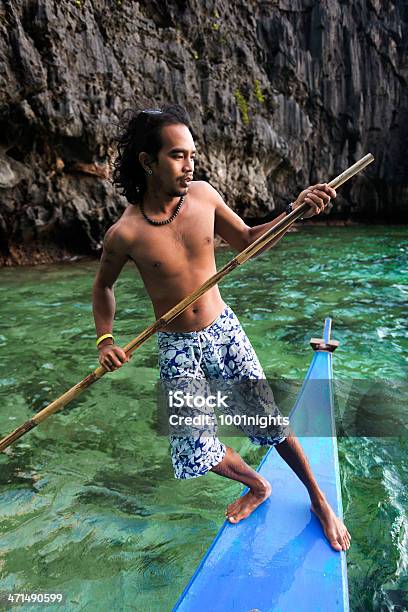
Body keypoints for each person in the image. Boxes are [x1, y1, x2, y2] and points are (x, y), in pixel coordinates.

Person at [92, 104, 351, 551]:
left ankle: (318, 499)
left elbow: (249, 241)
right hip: (176, 346)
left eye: (192, 155)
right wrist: (106, 339)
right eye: (178, 155)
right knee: (196, 450)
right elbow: (103, 289)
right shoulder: (125, 233)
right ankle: (257, 485)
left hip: (222, 331)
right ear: (147, 161)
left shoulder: (205, 197)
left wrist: (295, 211)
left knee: (268, 422)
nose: (190, 165)